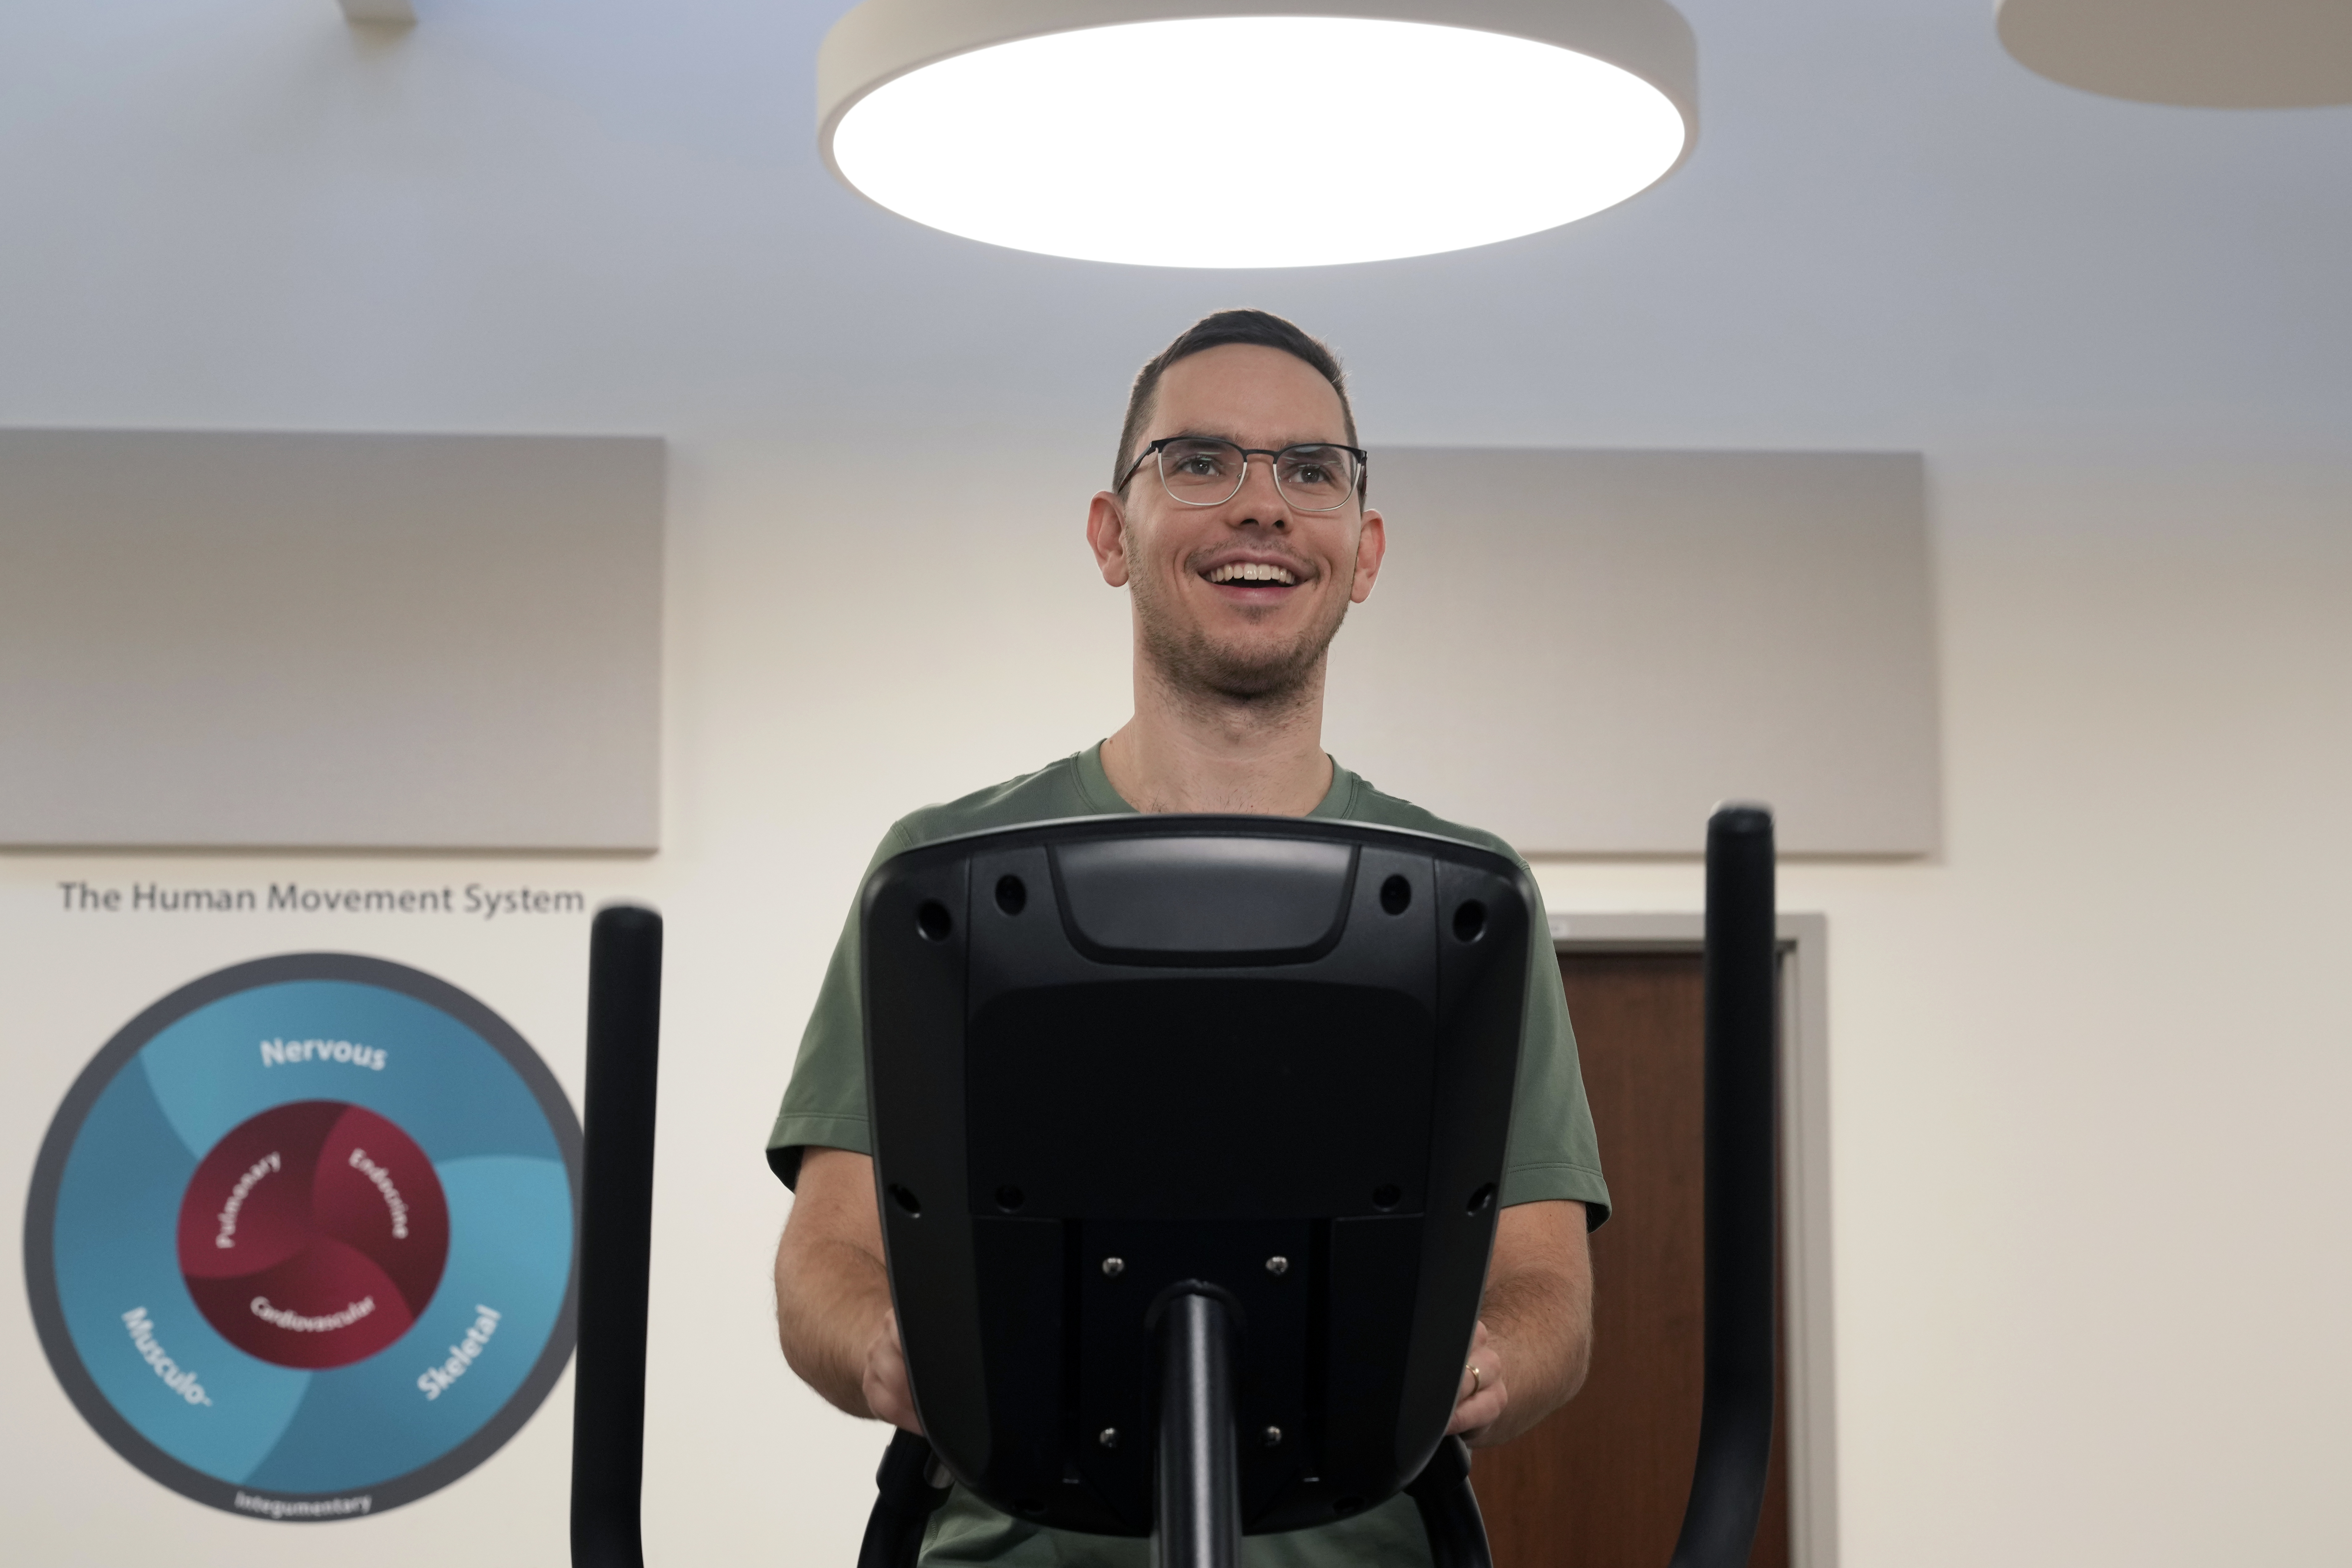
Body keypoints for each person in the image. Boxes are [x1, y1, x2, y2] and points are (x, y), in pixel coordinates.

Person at [769, 309, 1610, 1566]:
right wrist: (902, 1349)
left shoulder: (1464, 901)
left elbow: (1550, 1290)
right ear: (1113, 534)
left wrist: (1473, 1366)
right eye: (1201, 462)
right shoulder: (941, 874)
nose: (1262, 507)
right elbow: (824, 1257)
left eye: (1310, 471)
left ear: (1364, 550)